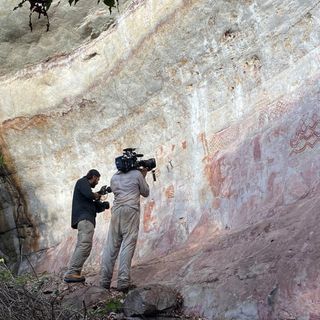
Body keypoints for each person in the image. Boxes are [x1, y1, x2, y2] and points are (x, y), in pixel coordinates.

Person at [100, 166, 149, 292]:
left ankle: (104, 281)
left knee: (111, 246)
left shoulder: (114, 177)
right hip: (131, 210)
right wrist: (143, 175)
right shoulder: (137, 174)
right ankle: (123, 281)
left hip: (116, 211)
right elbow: (145, 192)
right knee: (128, 244)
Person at [64, 169, 109, 283]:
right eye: (97, 179)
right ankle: (72, 272)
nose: (97, 182)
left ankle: (75, 273)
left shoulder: (86, 193)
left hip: (86, 219)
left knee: (83, 245)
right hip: (85, 219)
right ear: (93, 176)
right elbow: (90, 195)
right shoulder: (82, 182)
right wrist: (98, 194)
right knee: (84, 245)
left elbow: (94, 206)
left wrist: (103, 205)